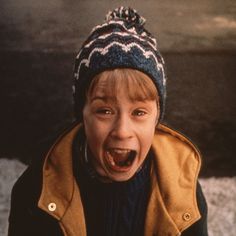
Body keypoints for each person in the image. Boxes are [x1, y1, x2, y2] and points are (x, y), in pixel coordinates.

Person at [8, 6, 208, 236]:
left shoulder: (184, 193)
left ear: (157, 119)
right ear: (82, 114)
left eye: (139, 112)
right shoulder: (36, 189)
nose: (122, 131)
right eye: (104, 111)